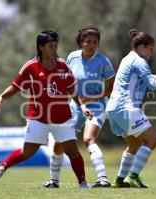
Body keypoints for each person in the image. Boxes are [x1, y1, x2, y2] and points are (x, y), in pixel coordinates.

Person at [0, 30, 92, 188]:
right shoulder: (31, 66)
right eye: (51, 46)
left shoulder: (63, 65)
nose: (54, 49)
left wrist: (83, 106)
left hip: (62, 117)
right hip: (38, 118)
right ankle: (1, 166)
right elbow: (15, 86)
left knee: (73, 152)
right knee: (27, 152)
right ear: (41, 47)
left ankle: (83, 183)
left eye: (56, 46)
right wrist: (2, 96)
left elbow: (73, 91)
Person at [106, 29, 156, 188]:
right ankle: (133, 176)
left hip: (113, 109)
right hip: (126, 107)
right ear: (140, 47)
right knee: (152, 140)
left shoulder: (129, 58)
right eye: (150, 48)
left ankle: (119, 180)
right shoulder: (140, 61)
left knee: (134, 145)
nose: (153, 51)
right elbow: (153, 86)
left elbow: (149, 78)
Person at [43, 25, 115, 188]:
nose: (91, 45)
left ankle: (102, 178)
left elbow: (112, 86)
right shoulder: (72, 57)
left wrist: (91, 97)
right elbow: (65, 80)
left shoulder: (103, 62)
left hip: (96, 106)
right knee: (59, 142)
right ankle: (54, 181)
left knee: (88, 139)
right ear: (81, 42)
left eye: (95, 42)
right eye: (88, 41)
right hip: (75, 107)